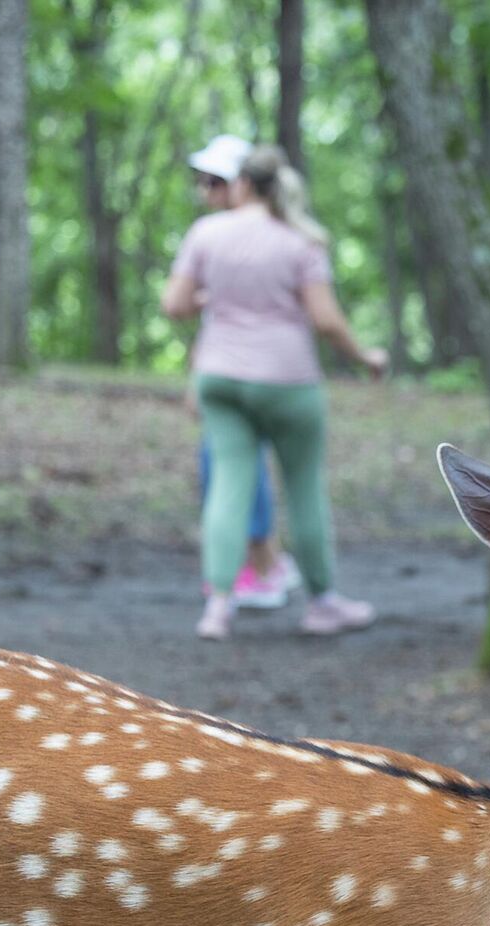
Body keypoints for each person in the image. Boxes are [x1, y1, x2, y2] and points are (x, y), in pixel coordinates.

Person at [162, 145, 388, 640]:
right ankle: (323, 603)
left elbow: (174, 304)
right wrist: (363, 356)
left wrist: (216, 297)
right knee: (303, 488)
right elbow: (326, 320)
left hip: (219, 377)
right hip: (287, 381)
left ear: (241, 184)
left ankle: (218, 608)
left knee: (227, 485)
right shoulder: (300, 241)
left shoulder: (207, 233)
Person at [183, 134, 301, 609]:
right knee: (229, 465)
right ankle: (263, 563)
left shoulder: (249, 236)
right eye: (202, 181)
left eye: (213, 182)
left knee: (231, 465)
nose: (204, 191)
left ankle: (257, 569)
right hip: (231, 366)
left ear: (243, 185)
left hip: (250, 373)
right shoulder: (222, 234)